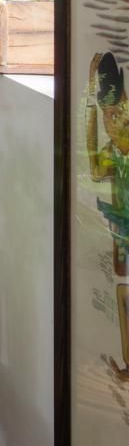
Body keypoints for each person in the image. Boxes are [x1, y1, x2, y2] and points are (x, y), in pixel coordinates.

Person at [87, 52, 129, 383]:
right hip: (120, 225)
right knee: (122, 289)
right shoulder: (112, 153)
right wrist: (89, 103)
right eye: (108, 116)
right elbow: (95, 169)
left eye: (118, 114)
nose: (113, 123)